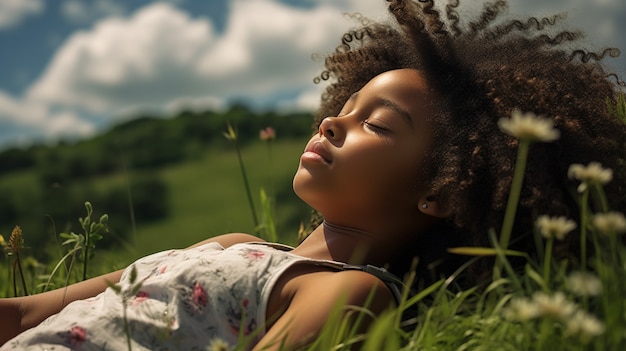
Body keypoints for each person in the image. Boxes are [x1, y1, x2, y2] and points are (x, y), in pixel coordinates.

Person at [1, 0, 625, 349]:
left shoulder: (351, 290)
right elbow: (28, 314)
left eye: (376, 125)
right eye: (342, 108)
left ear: (442, 190)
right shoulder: (232, 245)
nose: (330, 122)